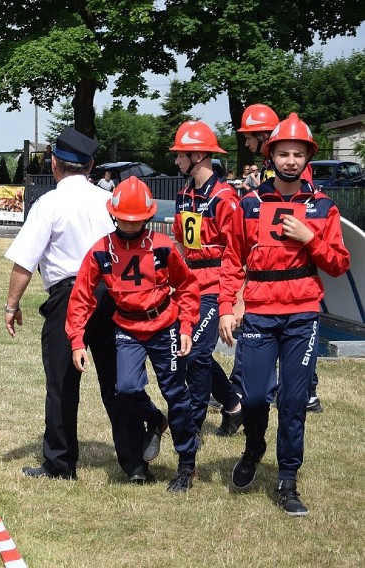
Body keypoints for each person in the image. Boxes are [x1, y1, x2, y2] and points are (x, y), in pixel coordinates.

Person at [4, 127, 156, 484]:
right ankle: (134, 464)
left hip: (70, 295)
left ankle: (60, 463)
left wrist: (12, 305)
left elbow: (24, 261)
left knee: (62, 382)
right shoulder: (108, 200)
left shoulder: (48, 204)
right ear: (89, 166)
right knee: (117, 381)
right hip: (112, 292)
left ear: (55, 164)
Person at [219, 113, 350, 516]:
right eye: (283, 152)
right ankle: (254, 447)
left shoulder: (322, 206)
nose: (290, 160)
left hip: (302, 315)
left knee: (293, 400)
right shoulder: (249, 204)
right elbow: (231, 258)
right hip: (258, 313)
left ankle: (288, 478)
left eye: (297, 153)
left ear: (307, 157)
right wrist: (227, 306)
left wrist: (311, 238)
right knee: (255, 396)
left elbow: (339, 264)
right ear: (271, 155)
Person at [68, 176, 201, 492]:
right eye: (124, 220)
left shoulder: (164, 248)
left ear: (148, 216)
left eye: (137, 220)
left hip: (165, 326)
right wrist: (77, 340)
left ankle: (186, 465)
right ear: (113, 215)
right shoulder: (100, 251)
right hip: (126, 327)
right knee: (125, 389)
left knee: (176, 395)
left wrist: (185, 327)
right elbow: (82, 297)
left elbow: (188, 286)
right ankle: (154, 419)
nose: (130, 225)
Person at [170, 121, 243, 437]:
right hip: (189, 285)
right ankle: (233, 405)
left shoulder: (225, 198)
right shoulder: (185, 194)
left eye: (180, 155)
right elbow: (180, 242)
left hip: (215, 285)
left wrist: (234, 299)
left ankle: (194, 424)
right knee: (189, 350)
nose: (176, 161)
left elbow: (237, 252)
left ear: (197, 154)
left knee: (197, 354)